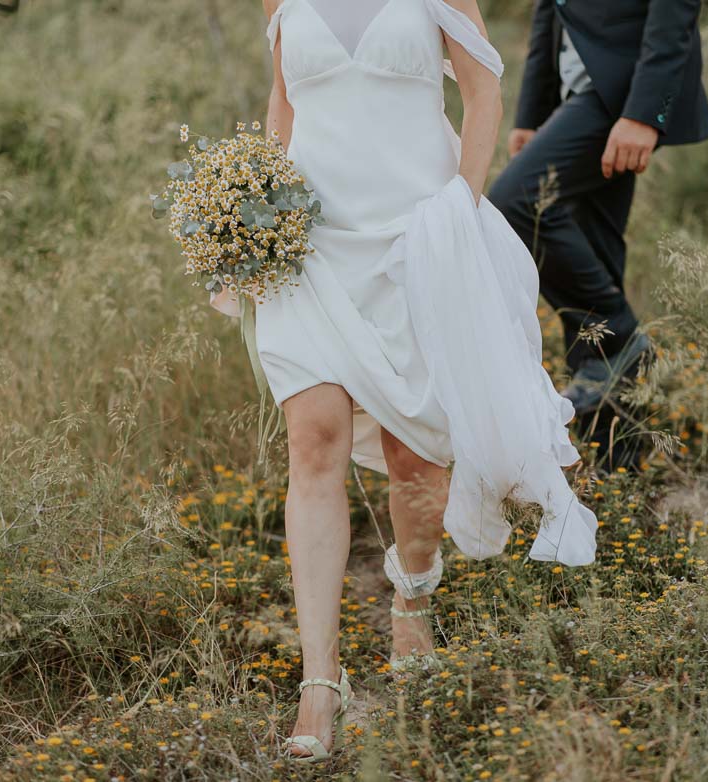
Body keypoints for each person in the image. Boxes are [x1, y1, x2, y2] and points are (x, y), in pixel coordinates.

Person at [247, 0, 598, 763]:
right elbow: (283, 102)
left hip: (415, 238)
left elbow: (482, 92)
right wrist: (253, 216)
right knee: (311, 444)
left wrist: (460, 208)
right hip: (308, 246)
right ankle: (319, 681)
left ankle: (413, 589)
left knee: (416, 456)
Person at [488, 0, 708, 445]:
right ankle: (619, 460)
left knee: (516, 203)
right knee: (596, 251)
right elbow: (550, 9)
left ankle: (620, 338)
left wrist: (644, 113)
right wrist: (533, 114)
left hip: (623, 92)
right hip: (579, 92)